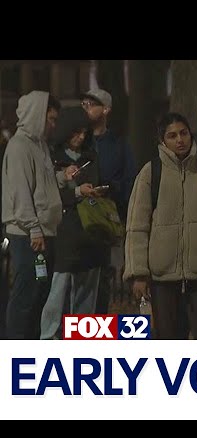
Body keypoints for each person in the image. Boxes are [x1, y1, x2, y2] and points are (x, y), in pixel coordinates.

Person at [123, 112, 197, 339]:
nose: (180, 140)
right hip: (162, 278)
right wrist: (139, 273)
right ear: (162, 141)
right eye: (172, 135)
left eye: (184, 133)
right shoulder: (150, 173)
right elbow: (137, 226)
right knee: (168, 341)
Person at [2, 91, 77, 339]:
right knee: (27, 295)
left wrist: (62, 179)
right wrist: (33, 228)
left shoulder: (39, 145)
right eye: (51, 119)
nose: (53, 125)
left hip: (43, 232)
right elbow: (20, 191)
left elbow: (40, 186)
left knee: (39, 293)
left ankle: (30, 345)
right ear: (37, 115)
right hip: (28, 236)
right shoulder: (19, 146)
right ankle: (14, 348)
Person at [40, 106, 107, 339]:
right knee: (58, 292)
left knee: (86, 293)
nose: (80, 137)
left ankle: (80, 340)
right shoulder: (53, 157)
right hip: (65, 233)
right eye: (76, 132)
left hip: (90, 231)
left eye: (84, 132)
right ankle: (49, 338)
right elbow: (49, 196)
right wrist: (76, 191)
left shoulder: (91, 156)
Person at [80, 88, 136, 314]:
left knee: (104, 279)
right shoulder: (78, 141)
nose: (86, 107)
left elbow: (129, 180)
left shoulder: (118, 144)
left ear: (106, 109)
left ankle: (97, 332)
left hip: (108, 218)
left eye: (92, 104)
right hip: (80, 219)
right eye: (84, 103)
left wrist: (113, 190)